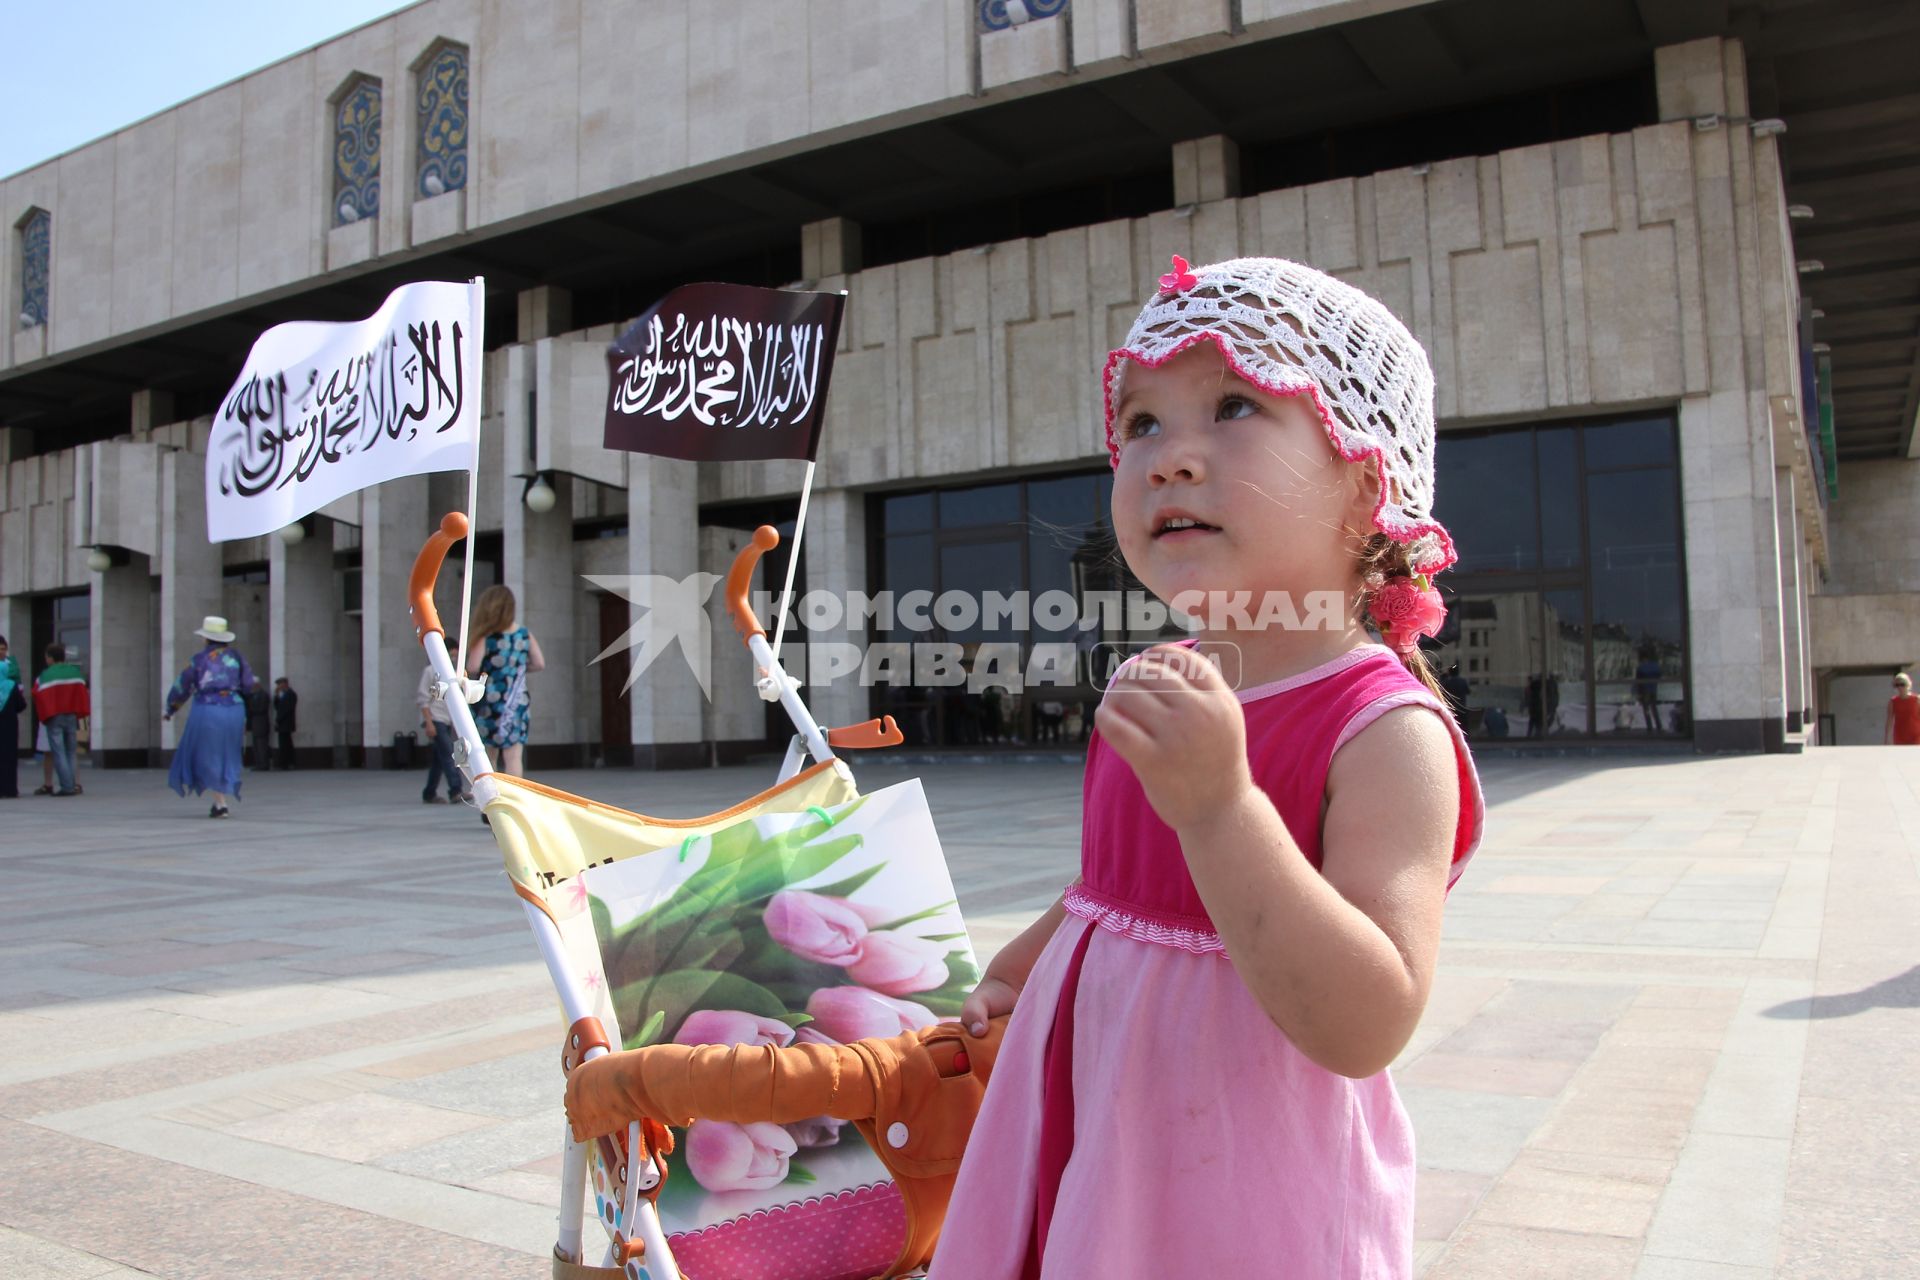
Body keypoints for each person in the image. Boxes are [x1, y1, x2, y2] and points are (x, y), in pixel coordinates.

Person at [931, 257, 1483, 1277]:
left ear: (1366, 481)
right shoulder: (1158, 677)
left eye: (1234, 404)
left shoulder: (1381, 726)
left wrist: (1224, 806)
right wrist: (1033, 957)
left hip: (1245, 1181)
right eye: (1141, 423)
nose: (1171, 457)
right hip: (1102, 1132)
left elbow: (1371, 1017)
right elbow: (1124, 887)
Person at [164, 616, 256, 818]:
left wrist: (171, 709)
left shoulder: (199, 659)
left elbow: (182, 686)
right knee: (228, 753)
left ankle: (220, 803)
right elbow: (249, 684)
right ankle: (221, 798)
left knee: (208, 754)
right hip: (234, 709)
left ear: (206, 638)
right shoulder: (238, 657)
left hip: (208, 708)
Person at [464, 585, 545, 778]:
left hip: (490, 700)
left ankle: (491, 799)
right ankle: (513, 801)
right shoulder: (524, 635)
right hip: (517, 700)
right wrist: (517, 669)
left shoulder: (486, 637)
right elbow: (539, 663)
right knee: (514, 757)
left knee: (489, 754)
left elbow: (473, 666)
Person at [32, 644, 89, 798]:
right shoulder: (75, 673)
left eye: (46, 657)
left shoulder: (45, 675)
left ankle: (67, 787)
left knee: (58, 752)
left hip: (54, 716)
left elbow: (37, 694)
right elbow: (83, 691)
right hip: (71, 715)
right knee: (71, 751)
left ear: (50, 658)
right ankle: (72, 784)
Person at [416, 663, 470, 803]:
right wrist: (429, 722)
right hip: (436, 719)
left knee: (438, 760)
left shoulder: (455, 672)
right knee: (449, 754)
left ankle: (429, 792)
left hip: (449, 720)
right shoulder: (430, 671)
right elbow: (423, 699)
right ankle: (455, 790)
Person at [0, 635, 22, 799]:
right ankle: (10, 789)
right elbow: (22, 705)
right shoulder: (11, 684)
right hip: (9, 725)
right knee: (9, 757)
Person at [1886, 672, 1920, 745]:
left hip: (1916, 736)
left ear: (1908, 685)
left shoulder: (1917, 699)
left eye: (1902, 684)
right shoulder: (1893, 702)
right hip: (1900, 736)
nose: (1900, 687)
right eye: (1897, 685)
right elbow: (1889, 722)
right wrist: (1887, 739)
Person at [272, 677, 298, 769]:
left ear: (285, 683)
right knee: (284, 743)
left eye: (280, 684)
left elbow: (286, 709)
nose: (279, 686)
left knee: (286, 744)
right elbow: (277, 707)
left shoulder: (291, 694)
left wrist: (278, 720)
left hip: (286, 722)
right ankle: (285, 762)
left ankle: (287, 763)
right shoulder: (282, 695)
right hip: (282, 723)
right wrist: (276, 695)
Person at [245, 681, 272, 770]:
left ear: (257, 685)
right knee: (256, 745)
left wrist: (251, 710)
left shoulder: (263, 695)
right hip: (255, 724)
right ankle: (258, 763)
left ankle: (264, 764)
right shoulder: (253, 696)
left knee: (262, 745)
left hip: (261, 723)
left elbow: (262, 709)